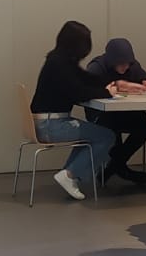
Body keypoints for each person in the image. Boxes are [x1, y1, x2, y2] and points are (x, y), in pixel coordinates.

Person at [29, 20, 119, 200]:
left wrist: (115, 83)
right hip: (51, 125)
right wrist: (107, 93)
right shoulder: (60, 64)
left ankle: (69, 174)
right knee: (107, 137)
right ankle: (70, 175)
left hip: (47, 122)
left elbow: (86, 78)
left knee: (92, 136)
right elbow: (79, 93)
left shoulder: (58, 60)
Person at [85, 37, 146, 187]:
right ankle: (119, 167)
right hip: (100, 115)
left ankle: (115, 165)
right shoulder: (97, 67)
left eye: (128, 63)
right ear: (112, 61)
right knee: (111, 128)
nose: (125, 67)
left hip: (124, 112)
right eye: (121, 63)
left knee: (144, 126)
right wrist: (116, 86)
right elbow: (85, 89)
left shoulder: (133, 66)